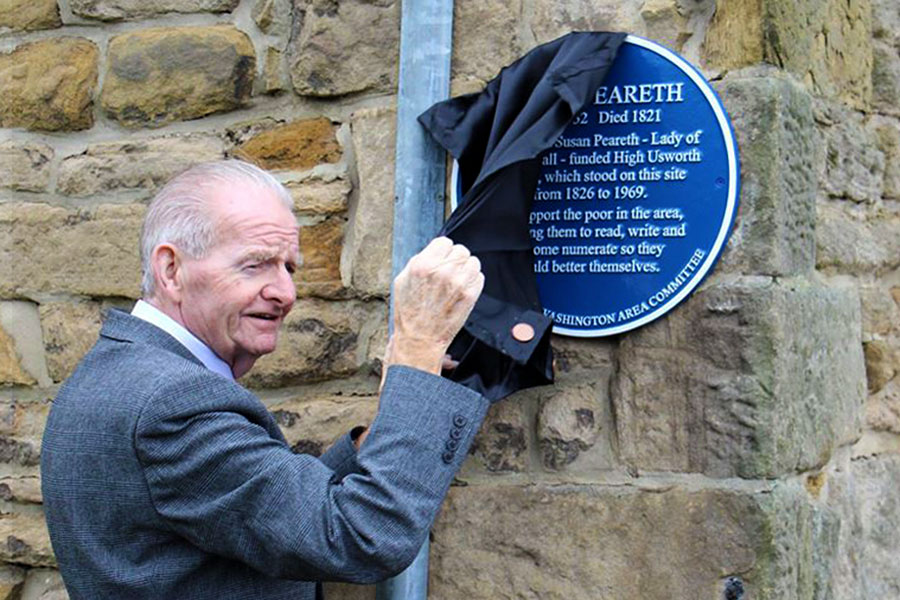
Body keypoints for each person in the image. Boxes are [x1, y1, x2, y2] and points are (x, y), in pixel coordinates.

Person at [41, 160, 489, 599]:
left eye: (289, 267)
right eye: (255, 264)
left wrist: (382, 429)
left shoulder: (118, 370)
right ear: (171, 270)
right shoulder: (171, 401)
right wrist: (417, 346)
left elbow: (258, 510)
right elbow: (362, 537)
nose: (286, 293)